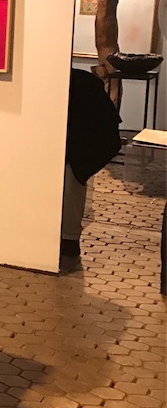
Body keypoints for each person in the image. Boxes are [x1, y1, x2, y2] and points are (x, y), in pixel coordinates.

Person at [62, 68, 122, 271]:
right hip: (75, 152)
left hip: (75, 152)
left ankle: (68, 239)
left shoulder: (84, 86)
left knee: (71, 177)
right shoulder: (85, 84)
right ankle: (68, 239)